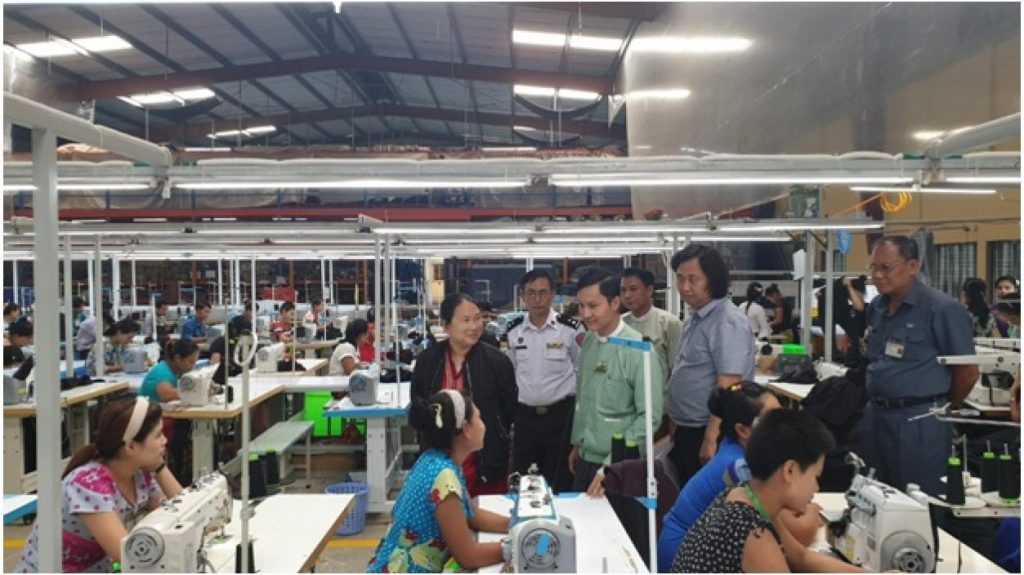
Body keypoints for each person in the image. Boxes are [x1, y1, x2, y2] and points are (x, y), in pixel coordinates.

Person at [672, 409, 864, 573]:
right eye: (815, 477)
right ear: (789, 471)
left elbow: (801, 557)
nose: (817, 487)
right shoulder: (752, 533)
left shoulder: (746, 494)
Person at [861, 235, 978, 496]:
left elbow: (968, 372)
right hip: (877, 416)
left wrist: (944, 406)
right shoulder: (877, 307)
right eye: (873, 268)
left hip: (919, 420)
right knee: (875, 496)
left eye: (886, 268)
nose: (877, 275)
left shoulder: (942, 309)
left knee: (920, 498)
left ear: (913, 266)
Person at [15, 396, 183, 572]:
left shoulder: (139, 474)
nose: (165, 441)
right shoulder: (88, 484)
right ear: (131, 446)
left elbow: (184, 510)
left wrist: (160, 468)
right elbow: (124, 554)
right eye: (158, 435)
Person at [367, 390, 509, 572]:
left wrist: (516, 525)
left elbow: (472, 515)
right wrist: (515, 545)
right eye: (479, 418)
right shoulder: (444, 477)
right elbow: (468, 557)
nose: (484, 425)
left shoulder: (435, 460)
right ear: (466, 428)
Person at [658, 382, 782, 571]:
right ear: (743, 430)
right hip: (680, 555)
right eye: (773, 420)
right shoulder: (739, 468)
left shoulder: (732, 445)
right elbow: (783, 526)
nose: (784, 425)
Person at [667, 244, 756, 487]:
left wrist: (711, 437)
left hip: (712, 432)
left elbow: (729, 383)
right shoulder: (696, 318)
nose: (685, 287)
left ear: (713, 280)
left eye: (693, 279)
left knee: (708, 500)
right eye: (680, 278)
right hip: (689, 428)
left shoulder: (726, 321)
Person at [411, 293, 517, 497]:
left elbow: (509, 411)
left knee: (485, 510)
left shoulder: (498, 363)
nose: (474, 326)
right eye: (466, 320)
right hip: (439, 461)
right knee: (446, 512)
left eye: (478, 318)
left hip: (485, 460)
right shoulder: (427, 362)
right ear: (447, 325)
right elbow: (419, 404)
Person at [570, 269, 663, 495]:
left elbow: (649, 417)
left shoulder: (639, 349)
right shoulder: (590, 340)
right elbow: (585, 398)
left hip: (619, 466)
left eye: (593, 306)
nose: (585, 314)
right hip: (585, 457)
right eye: (581, 306)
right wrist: (578, 444)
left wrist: (610, 466)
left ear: (615, 303)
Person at [506, 269, 583, 493]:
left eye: (542, 293)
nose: (537, 299)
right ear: (522, 296)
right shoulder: (513, 331)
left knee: (559, 482)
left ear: (553, 295)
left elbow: (581, 371)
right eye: (531, 293)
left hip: (560, 418)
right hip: (525, 419)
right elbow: (510, 373)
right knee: (524, 482)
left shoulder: (570, 329)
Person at [620, 267, 683, 405]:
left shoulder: (669, 323)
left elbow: (677, 371)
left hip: (658, 406)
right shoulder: (618, 324)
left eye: (633, 289)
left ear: (649, 291)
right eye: (623, 290)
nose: (627, 295)